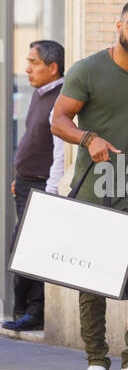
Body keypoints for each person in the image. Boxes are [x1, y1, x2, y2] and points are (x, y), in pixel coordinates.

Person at [51, 0, 128, 370]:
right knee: (93, 274)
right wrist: (88, 138)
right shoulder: (87, 70)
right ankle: (96, 360)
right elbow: (59, 120)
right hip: (96, 186)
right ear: (119, 26)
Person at [2, 40, 65, 332]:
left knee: (29, 248)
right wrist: (19, 177)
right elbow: (32, 138)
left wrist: (51, 191)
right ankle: (25, 311)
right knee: (23, 246)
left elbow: (60, 150)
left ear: (53, 68)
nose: (27, 68)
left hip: (42, 187)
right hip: (26, 184)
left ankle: (35, 313)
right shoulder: (39, 94)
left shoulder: (60, 99)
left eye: (34, 62)